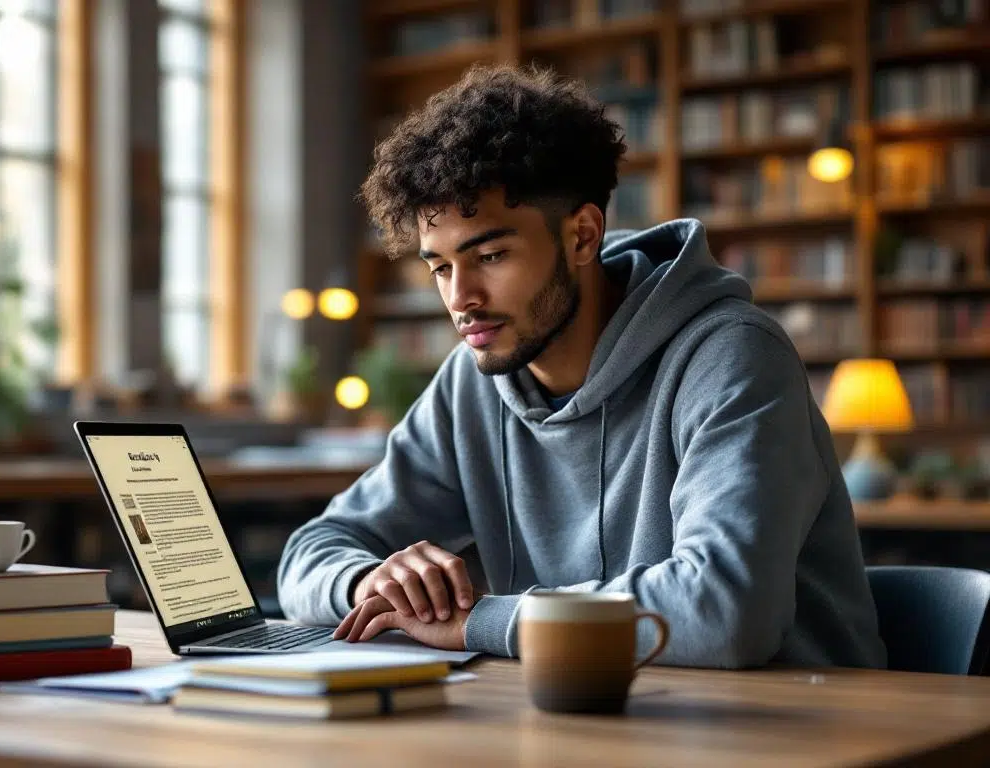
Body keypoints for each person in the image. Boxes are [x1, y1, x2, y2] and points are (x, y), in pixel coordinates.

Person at [276, 64, 886, 668]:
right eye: (439, 267)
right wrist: (370, 585)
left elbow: (726, 612)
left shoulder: (731, 358)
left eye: (489, 254)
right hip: (594, 724)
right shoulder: (473, 381)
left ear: (582, 236)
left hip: (793, 731)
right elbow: (309, 554)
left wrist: (484, 620)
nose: (460, 298)